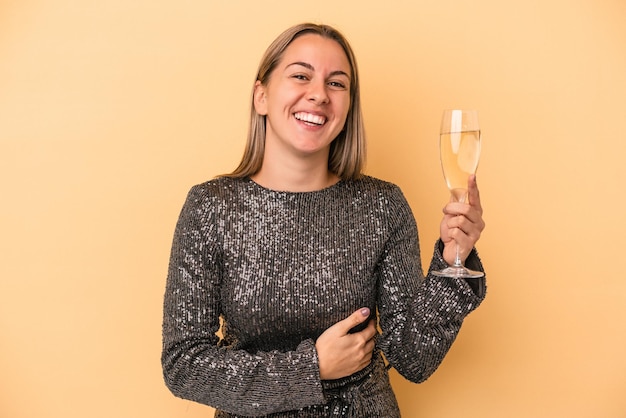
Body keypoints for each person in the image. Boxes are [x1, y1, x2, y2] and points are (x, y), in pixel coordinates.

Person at [161, 22, 486, 417]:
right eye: (300, 75)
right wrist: (309, 369)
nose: (318, 95)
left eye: (337, 83)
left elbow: (412, 360)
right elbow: (183, 363)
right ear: (261, 96)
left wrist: (453, 262)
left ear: (348, 107)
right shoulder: (210, 208)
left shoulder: (383, 205)